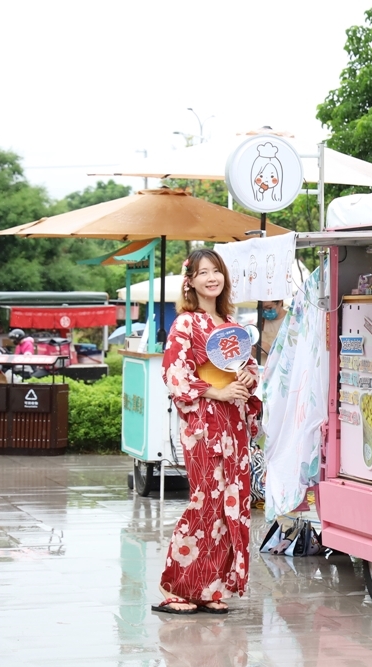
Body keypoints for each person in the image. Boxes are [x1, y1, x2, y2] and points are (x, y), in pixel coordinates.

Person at [153, 249, 262, 615]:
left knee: (232, 505)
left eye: (216, 271)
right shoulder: (186, 324)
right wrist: (216, 391)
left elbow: (246, 368)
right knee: (205, 502)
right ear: (191, 281)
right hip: (204, 425)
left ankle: (213, 588)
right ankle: (178, 588)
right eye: (203, 273)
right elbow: (174, 373)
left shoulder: (230, 324)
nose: (211, 278)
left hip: (233, 423)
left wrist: (248, 378)